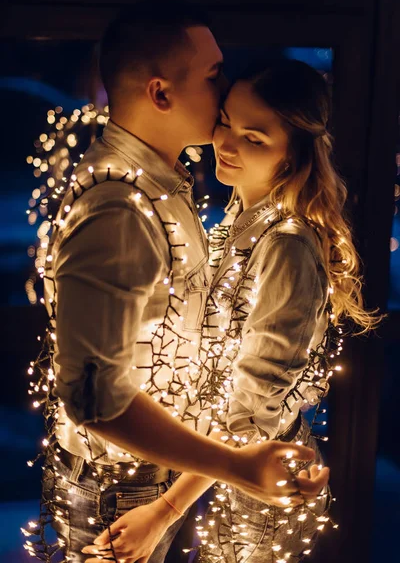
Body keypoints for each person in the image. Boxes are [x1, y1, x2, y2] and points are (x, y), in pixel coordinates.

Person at [37, 4, 328, 563]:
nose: (221, 96)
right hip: (116, 486)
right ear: (161, 94)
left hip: (162, 476)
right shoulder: (121, 208)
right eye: (213, 76)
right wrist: (232, 465)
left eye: (255, 137)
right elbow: (95, 398)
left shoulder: (168, 188)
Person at [82, 59, 380, 563]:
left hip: (261, 492)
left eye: (254, 137)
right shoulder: (236, 217)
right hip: (220, 477)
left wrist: (163, 513)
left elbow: (253, 416)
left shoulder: (286, 244)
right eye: (225, 123)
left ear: (293, 154)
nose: (226, 144)